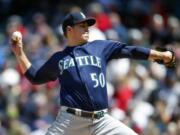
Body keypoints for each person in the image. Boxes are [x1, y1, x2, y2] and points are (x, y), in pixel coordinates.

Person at [11, 12, 175, 135]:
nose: (87, 28)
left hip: (102, 120)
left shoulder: (100, 47)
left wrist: (159, 55)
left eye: (87, 25)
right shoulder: (59, 58)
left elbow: (129, 51)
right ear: (69, 30)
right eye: (82, 25)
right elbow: (34, 77)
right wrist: (19, 53)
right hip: (71, 121)